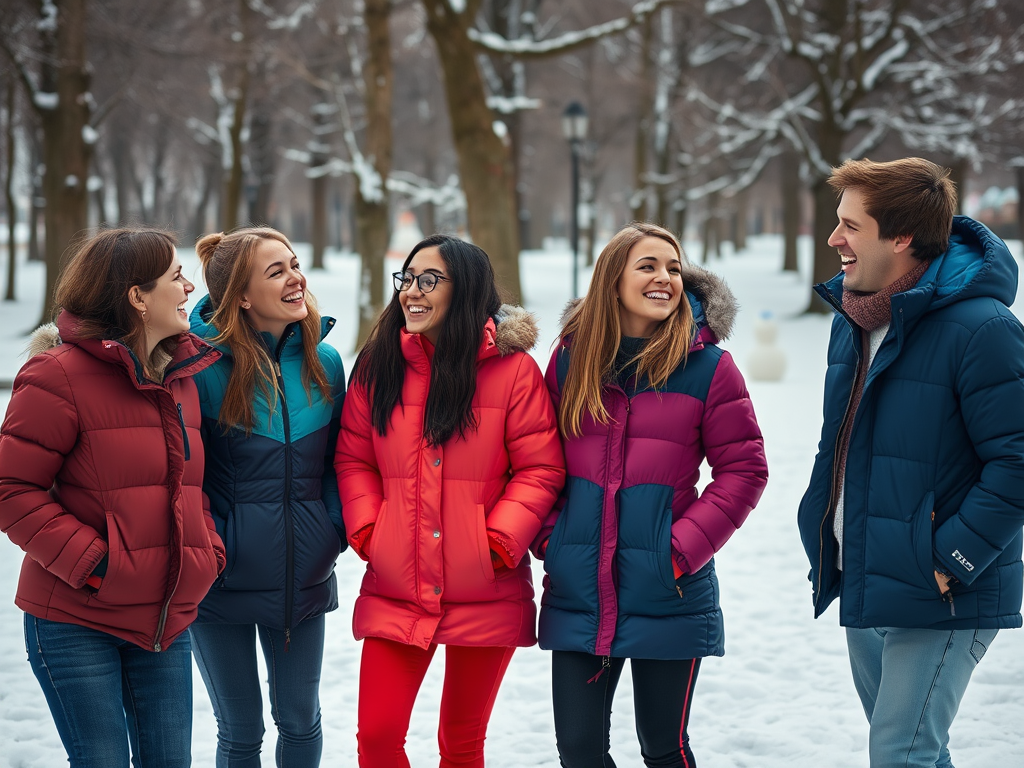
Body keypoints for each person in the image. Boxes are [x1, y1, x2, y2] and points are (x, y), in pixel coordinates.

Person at [797, 157, 1024, 768]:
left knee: (901, 752)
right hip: (868, 569)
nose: (833, 239)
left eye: (850, 225)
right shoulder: (854, 324)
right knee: (913, 750)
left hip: (944, 587)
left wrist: (954, 557)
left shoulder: (983, 329)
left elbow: (1017, 460)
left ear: (901, 237)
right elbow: (839, 444)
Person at [536, 222, 768, 768]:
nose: (665, 277)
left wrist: (679, 550)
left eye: (671, 266)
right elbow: (540, 461)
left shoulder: (709, 367)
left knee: (663, 748)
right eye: (648, 265)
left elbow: (744, 470)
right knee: (578, 751)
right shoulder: (571, 361)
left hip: (669, 590)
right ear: (612, 278)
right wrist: (555, 539)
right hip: (581, 587)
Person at [335, 234, 565, 768]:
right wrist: (372, 532)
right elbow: (353, 459)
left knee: (461, 744)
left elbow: (540, 467)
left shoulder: (513, 372)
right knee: (377, 740)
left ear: (466, 291)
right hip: (399, 581)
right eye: (407, 278)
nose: (411, 292)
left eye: (428, 280)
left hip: (484, 583)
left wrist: (496, 544)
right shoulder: (378, 366)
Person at [0, 227, 225, 767]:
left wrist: (205, 552)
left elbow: (191, 488)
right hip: (77, 621)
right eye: (176, 277)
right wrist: (97, 564)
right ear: (137, 297)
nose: (189, 287)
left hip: (164, 622)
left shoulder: (182, 376)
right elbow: (11, 488)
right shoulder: (58, 375)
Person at [187, 227, 346, 768]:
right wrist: (212, 546)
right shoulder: (198, 372)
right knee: (241, 729)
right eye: (276, 271)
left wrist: (331, 528)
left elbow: (336, 465)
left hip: (302, 574)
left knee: (300, 720)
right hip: (220, 582)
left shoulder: (326, 364)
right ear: (242, 296)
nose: (296, 278)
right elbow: (186, 481)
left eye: (295, 265)